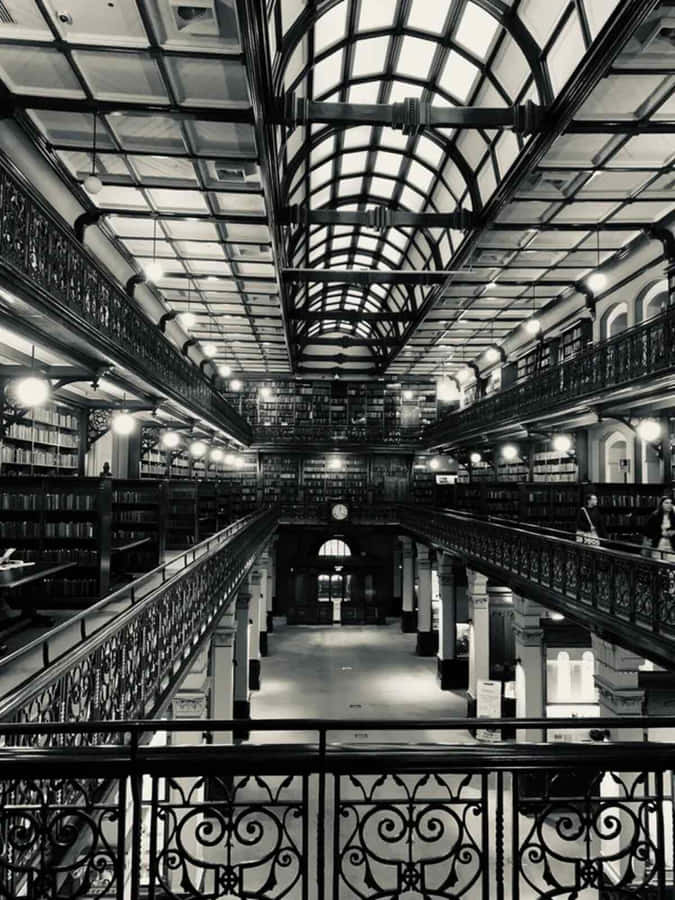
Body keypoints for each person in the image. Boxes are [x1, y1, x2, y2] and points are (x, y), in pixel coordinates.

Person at [643, 496, 675, 560]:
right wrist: (661, 533)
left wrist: (673, 532)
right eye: (666, 503)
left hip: (672, 544)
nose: (669, 505)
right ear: (661, 504)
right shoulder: (655, 516)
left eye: (670, 503)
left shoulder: (673, 517)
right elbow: (647, 531)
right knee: (659, 564)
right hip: (658, 544)